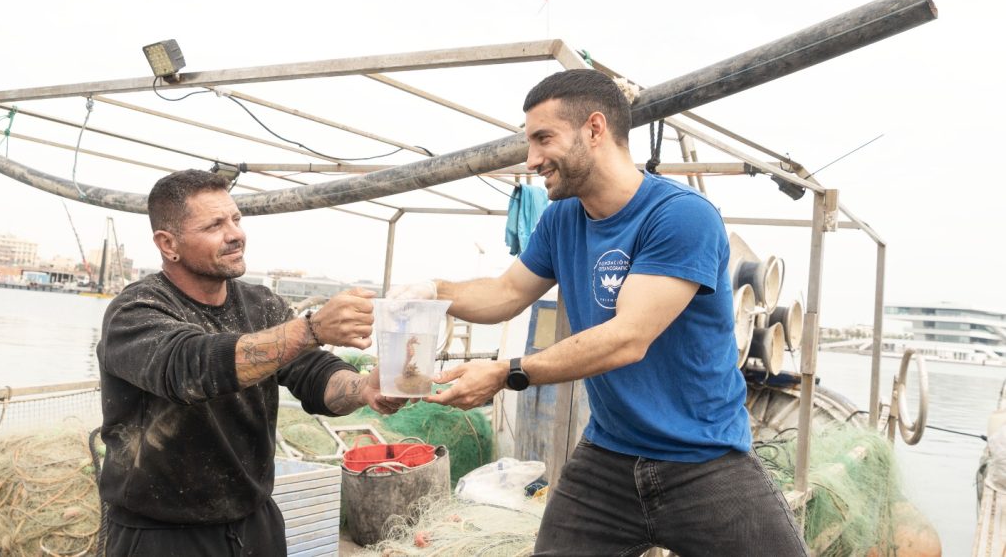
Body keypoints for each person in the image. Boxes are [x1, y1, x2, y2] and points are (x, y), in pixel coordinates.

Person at [399, 69, 809, 556]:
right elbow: (506, 293)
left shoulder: (680, 215)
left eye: (543, 139)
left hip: (703, 457)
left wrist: (506, 372)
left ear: (594, 129)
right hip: (608, 457)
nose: (531, 159)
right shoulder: (562, 219)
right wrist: (430, 290)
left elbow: (627, 338)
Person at [96, 169, 404, 556]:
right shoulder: (136, 311)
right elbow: (191, 367)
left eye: (236, 219)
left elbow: (312, 373)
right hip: (162, 534)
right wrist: (311, 329)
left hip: (254, 524)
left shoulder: (262, 305)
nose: (235, 234)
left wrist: (363, 388)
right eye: (214, 225)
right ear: (168, 243)